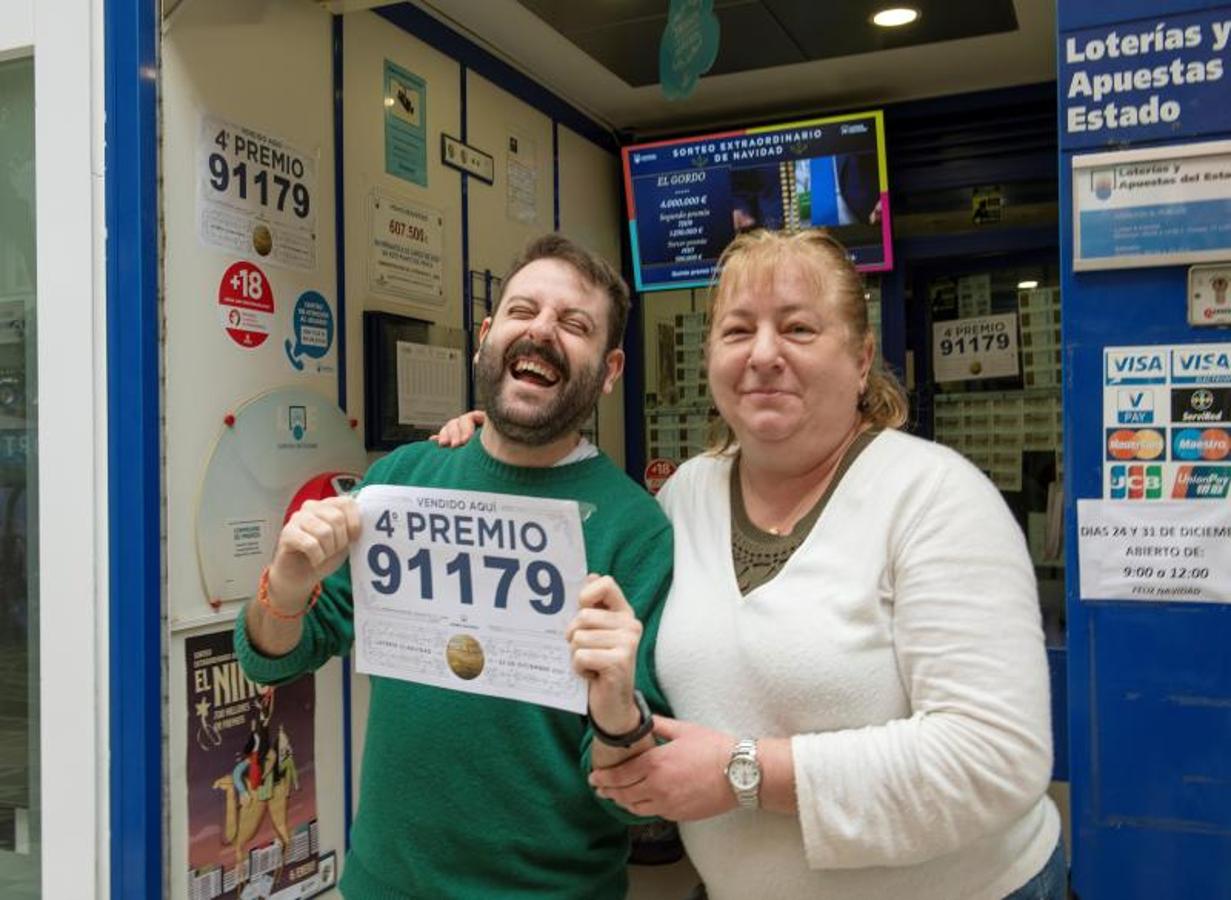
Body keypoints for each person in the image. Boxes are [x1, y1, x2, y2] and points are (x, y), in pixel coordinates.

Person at [436, 228, 1063, 900]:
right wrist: (496, 448)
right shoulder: (684, 498)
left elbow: (995, 759)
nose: (764, 355)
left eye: (797, 328)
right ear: (711, 359)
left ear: (860, 358)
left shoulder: (934, 495)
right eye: (738, 331)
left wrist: (745, 773)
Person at [237, 233, 672, 899]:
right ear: (486, 335)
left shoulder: (636, 531)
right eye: (523, 310)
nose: (542, 332)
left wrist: (617, 708)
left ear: (611, 370)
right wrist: (290, 584)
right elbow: (270, 659)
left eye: (573, 324)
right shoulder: (404, 480)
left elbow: (629, 801)